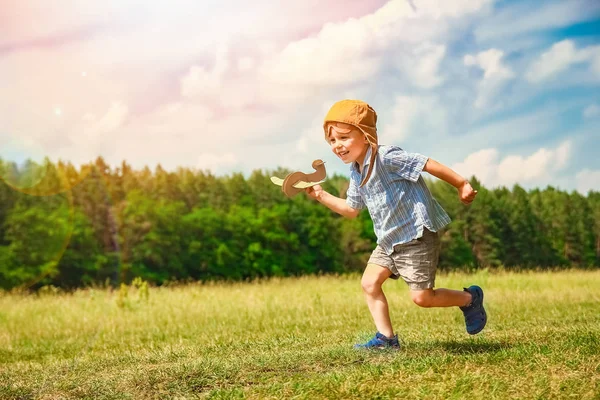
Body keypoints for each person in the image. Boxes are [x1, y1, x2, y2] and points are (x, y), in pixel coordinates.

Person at [305, 99, 487, 349]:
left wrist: (461, 184)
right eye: (333, 141)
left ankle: (469, 299)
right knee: (369, 283)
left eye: (344, 137)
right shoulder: (357, 172)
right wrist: (321, 195)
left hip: (415, 236)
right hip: (388, 240)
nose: (338, 146)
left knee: (422, 298)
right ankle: (387, 340)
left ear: (366, 134)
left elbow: (425, 163)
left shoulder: (387, 157)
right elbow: (351, 210)